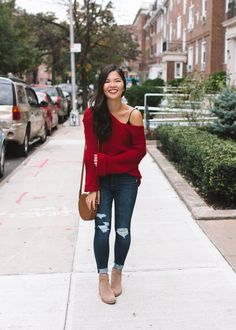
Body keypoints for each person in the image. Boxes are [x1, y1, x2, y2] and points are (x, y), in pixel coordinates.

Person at [82, 64, 146, 304]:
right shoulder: (91, 115)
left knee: (122, 229)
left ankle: (117, 270)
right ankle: (102, 278)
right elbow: (90, 154)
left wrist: (107, 162)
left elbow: (139, 152)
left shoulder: (133, 115)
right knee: (102, 229)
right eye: (107, 80)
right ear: (101, 85)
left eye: (117, 80)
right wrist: (92, 187)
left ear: (123, 85)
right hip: (101, 182)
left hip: (127, 181)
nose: (112, 84)